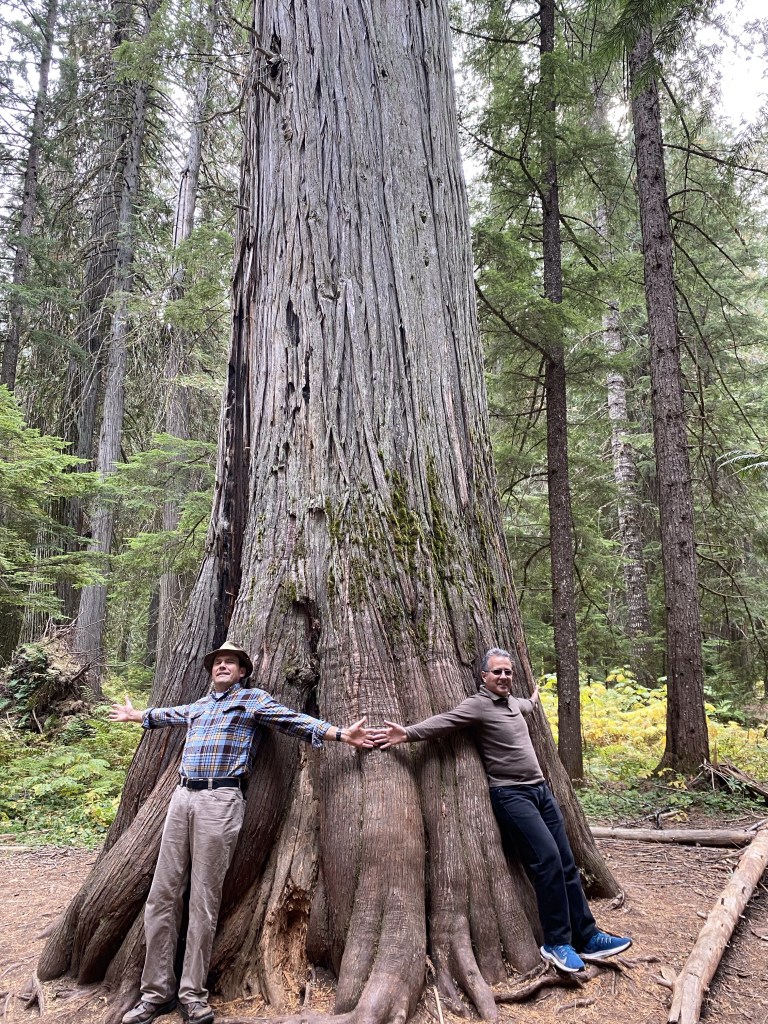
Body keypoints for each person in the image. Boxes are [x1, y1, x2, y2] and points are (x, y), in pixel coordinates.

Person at [110, 640, 375, 1024]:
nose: (222, 666)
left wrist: (339, 734)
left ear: (242, 671)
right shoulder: (200, 706)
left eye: (230, 662)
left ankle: (192, 995)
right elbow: (169, 714)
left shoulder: (252, 701)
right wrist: (138, 715)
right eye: (217, 662)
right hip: (182, 797)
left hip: (221, 800)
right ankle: (155, 994)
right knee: (161, 896)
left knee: (203, 899)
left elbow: (292, 721)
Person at [371, 646, 631, 974]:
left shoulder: (514, 703)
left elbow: (527, 705)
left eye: (508, 672)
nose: (504, 676)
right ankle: (556, 943)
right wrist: (407, 733)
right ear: (484, 676)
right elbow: (445, 722)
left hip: (541, 792)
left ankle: (588, 936)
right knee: (548, 860)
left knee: (566, 863)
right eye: (497, 671)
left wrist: (534, 699)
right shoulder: (478, 705)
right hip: (511, 796)